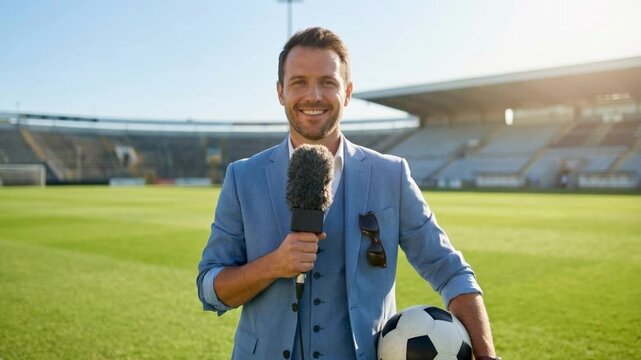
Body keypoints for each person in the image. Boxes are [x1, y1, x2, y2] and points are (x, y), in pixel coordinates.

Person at [197, 27, 499, 360]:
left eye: (328, 82)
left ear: (348, 92)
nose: (313, 95)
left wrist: (486, 355)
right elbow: (210, 289)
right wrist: (272, 265)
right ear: (281, 92)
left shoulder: (391, 175)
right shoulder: (242, 177)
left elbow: (450, 271)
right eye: (299, 82)